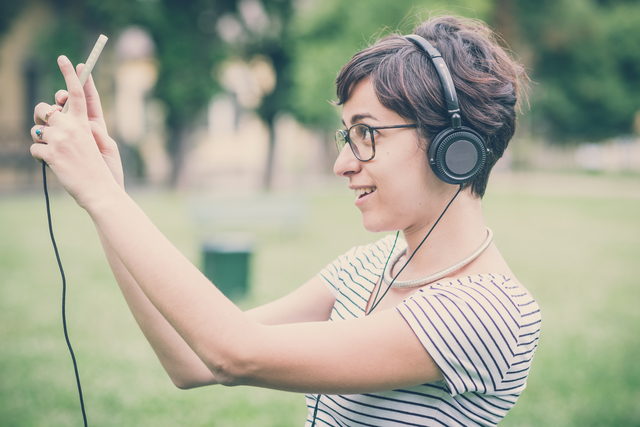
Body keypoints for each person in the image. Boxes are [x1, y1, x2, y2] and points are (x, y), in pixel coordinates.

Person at [30, 13, 540, 427]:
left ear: (454, 151)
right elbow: (192, 362)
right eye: (347, 135)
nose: (342, 163)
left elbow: (235, 353)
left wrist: (102, 195)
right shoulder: (367, 267)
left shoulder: (489, 314)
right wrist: (109, 191)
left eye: (367, 133)